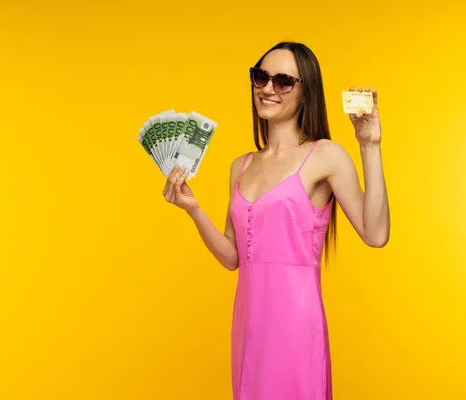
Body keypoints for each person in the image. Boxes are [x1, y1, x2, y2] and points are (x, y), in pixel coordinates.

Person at [162, 41, 390, 400]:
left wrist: (370, 146)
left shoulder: (325, 155)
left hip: (296, 325)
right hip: (248, 324)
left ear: (306, 92)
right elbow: (232, 257)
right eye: (260, 77)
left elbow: (376, 234)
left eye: (283, 81)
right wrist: (193, 208)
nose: (268, 89)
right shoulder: (242, 165)